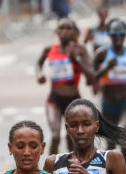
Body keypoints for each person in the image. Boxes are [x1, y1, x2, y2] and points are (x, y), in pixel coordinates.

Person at [36, 18, 95, 155]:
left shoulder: (80, 50)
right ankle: (50, 171)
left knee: (72, 140)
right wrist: (40, 74)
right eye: (61, 28)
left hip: (74, 101)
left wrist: (77, 60)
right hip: (54, 99)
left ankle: (71, 172)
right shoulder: (49, 50)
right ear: (57, 31)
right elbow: (38, 64)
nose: (64, 31)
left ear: (74, 32)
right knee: (55, 135)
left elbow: (92, 76)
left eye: (68, 28)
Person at [93, 18, 126, 162]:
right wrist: (106, 67)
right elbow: (93, 77)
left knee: (122, 136)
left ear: (125, 35)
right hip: (108, 103)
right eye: (114, 35)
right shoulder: (101, 54)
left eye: (121, 34)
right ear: (109, 35)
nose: (118, 38)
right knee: (111, 142)